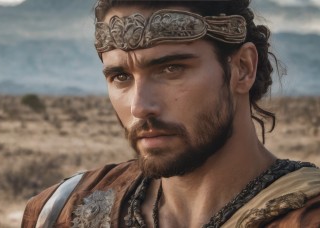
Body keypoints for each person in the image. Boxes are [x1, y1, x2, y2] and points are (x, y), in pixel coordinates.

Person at [22, 0, 320, 227]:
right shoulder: (59, 210)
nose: (140, 107)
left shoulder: (307, 216)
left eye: (171, 69)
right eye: (121, 77)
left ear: (242, 68)